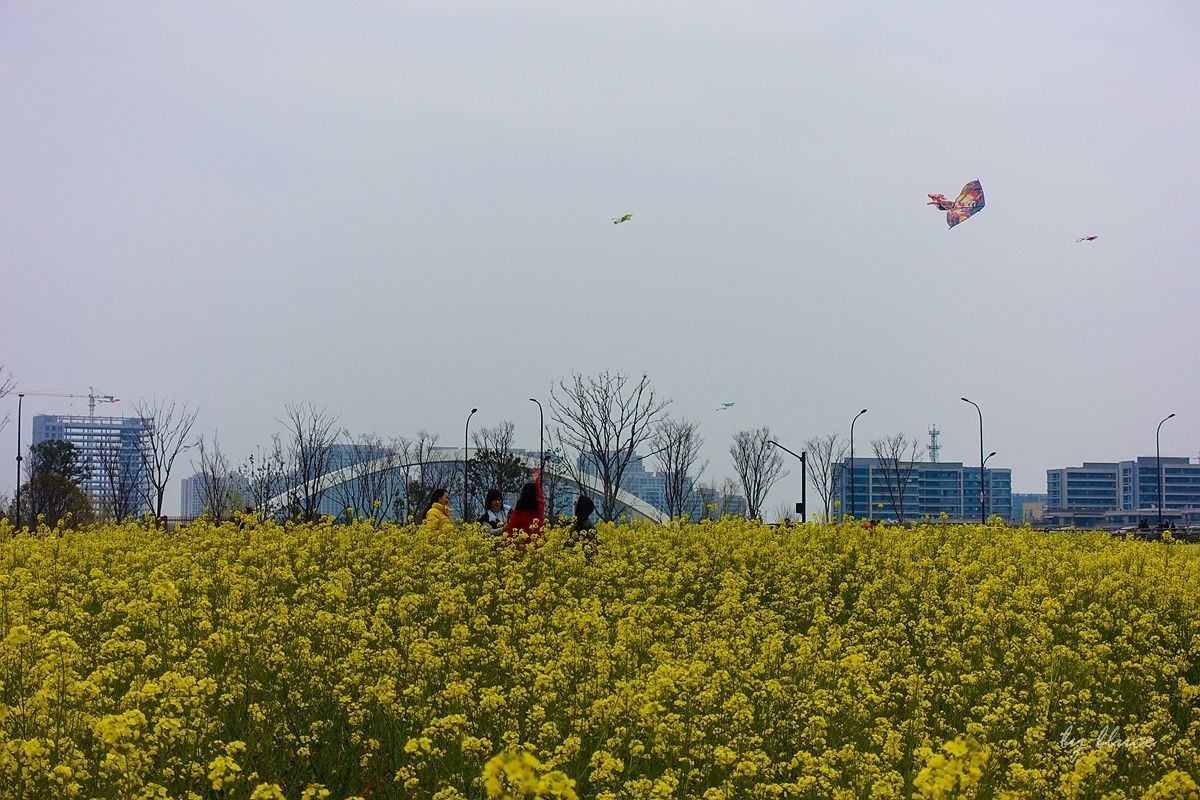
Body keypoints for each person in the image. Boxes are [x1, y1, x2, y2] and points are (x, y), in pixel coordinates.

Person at [505, 468, 545, 546]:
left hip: (522, 548)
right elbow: (540, 496)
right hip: (539, 545)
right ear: (535, 495)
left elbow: (511, 529)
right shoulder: (539, 508)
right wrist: (536, 482)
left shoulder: (518, 511)